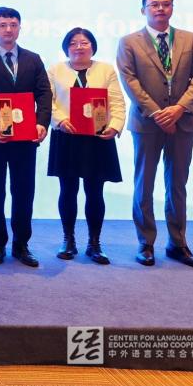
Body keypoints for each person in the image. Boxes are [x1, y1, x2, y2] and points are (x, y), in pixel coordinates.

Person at [116, 0, 193, 269]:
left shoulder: (190, 39)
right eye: (154, 4)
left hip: (184, 120)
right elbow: (130, 81)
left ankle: (177, 243)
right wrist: (157, 113)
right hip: (147, 122)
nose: (160, 8)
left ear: (172, 8)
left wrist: (179, 109)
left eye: (165, 4)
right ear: (143, 10)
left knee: (177, 183)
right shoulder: (129, 42)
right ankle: (146, 243)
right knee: (144, 183)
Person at [0, 6, 51, 267]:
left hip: (26, 138)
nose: (8, 30)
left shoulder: (33, 59)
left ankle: (21, 244)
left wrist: (42, 123)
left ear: (19, 28)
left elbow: (44, 93)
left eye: (13, 25)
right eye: (2, 25)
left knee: (23, 191)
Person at [47, 27, 125, 265]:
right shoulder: (55, 70)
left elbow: (117, 101)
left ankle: (94, 243)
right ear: (66, 47)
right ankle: (68, 240)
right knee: (67, 190)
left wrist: (115, 126)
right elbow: (47, 101)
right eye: (73, 43)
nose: (79, 47)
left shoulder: (106, 69)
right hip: (66, 135)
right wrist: (60, 120)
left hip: (97, 137)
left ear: (92, 46)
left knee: (95, 191)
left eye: (84, 42)